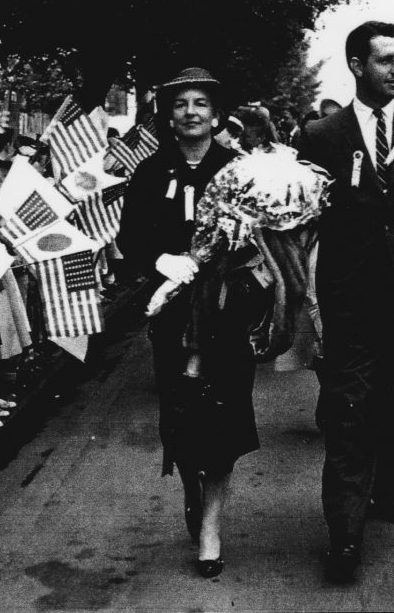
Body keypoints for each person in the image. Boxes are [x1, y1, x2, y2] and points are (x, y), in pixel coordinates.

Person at [296, 20, 394, 583]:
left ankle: (386, 487)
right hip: (350, 303)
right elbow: (305, 218)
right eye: (386, 60)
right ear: (357, 66)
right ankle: (344, 535)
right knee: (349, 415)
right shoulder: (321, 135)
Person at [117, 67, 257, 579]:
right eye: (180, 104)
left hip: (227, 315)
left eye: (201, 103)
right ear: (170, 116)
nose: (191, 112)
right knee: (180, 418)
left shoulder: (240, 170)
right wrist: (161, 260)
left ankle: (211, 527)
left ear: (217, 116)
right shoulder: (151, 172)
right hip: (174, 315)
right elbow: (131, 237)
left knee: (224, 421)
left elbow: (261, 238)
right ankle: (192, 490)